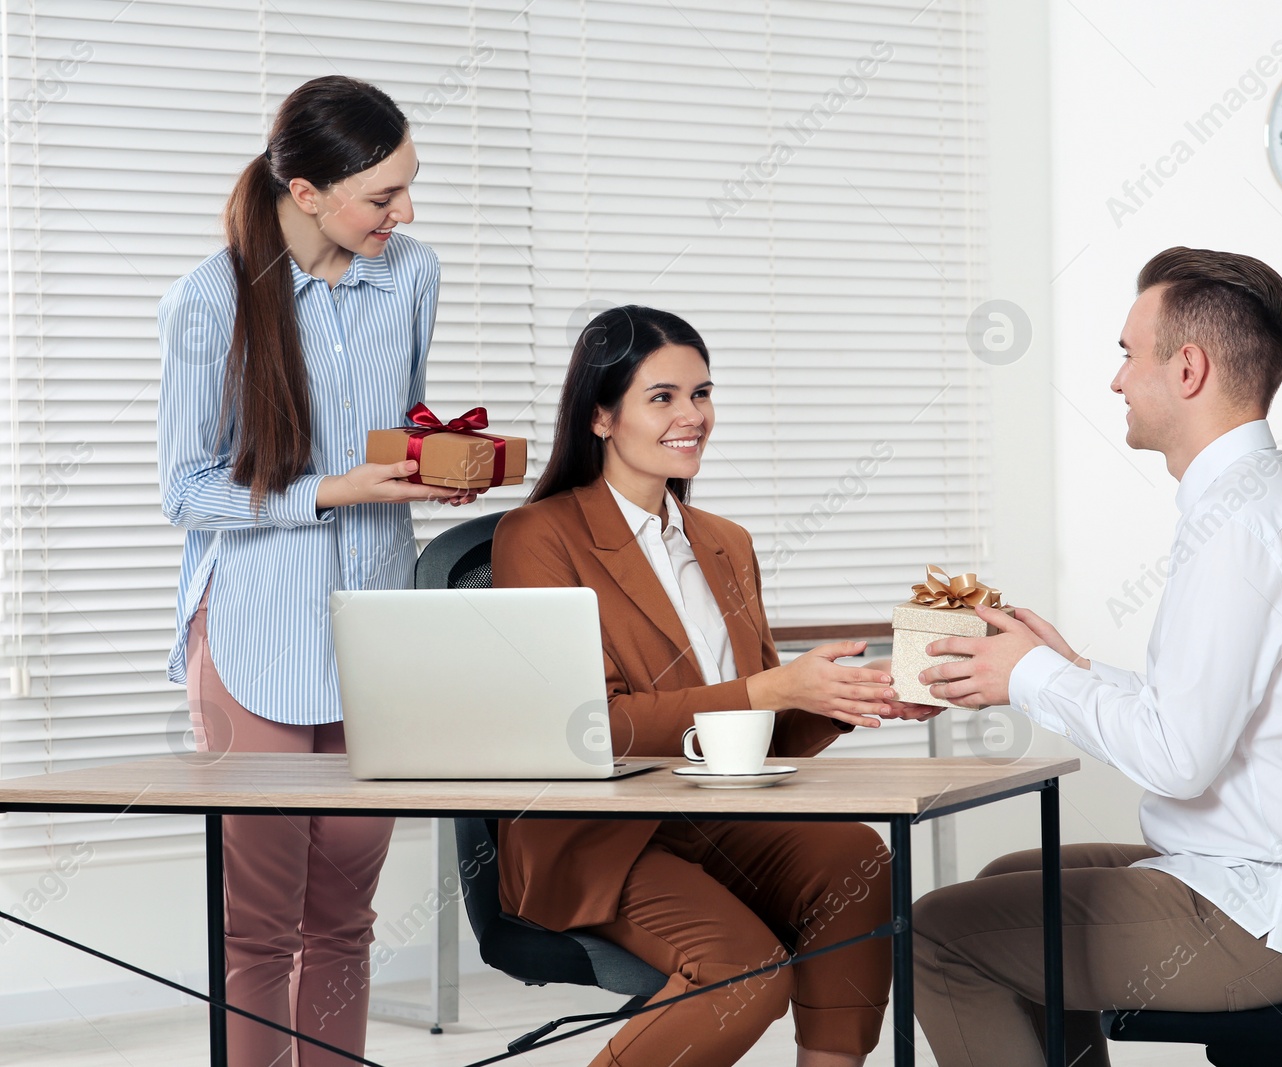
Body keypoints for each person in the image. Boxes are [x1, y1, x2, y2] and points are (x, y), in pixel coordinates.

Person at [909, 247, 1282, 1067]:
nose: (1115, 381)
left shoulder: (1239, 528)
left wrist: (1032, 678)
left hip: (1281, 914)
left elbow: (1178, 759)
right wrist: (1062, 665)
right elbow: (1204, 714)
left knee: (936, 933)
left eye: (1126, 354)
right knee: (1009, 875)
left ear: (1188, 368)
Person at [492, 305, 922, 1067]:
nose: (693, 416)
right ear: (600, 415)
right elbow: (595, 727)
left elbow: (755, 727)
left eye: (702, 393)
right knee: (746, 969)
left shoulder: (725, 542)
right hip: (602, 833)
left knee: (857, 860)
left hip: (711, 812)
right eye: (663, 397)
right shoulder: (539, 537)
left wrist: (845, 698)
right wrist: (770, 688)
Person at [157, 76, 471, 1066]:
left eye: (408, 187)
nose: (405, 213)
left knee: (345, 913)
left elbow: (401, 426)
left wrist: (437, 468)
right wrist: (329, 490)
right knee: (258, 925)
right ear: (304, 190)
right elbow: (187, 491)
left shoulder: (409, 273)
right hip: (257, 631)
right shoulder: (211, 301)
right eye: (383, 195)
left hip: (374, 630)